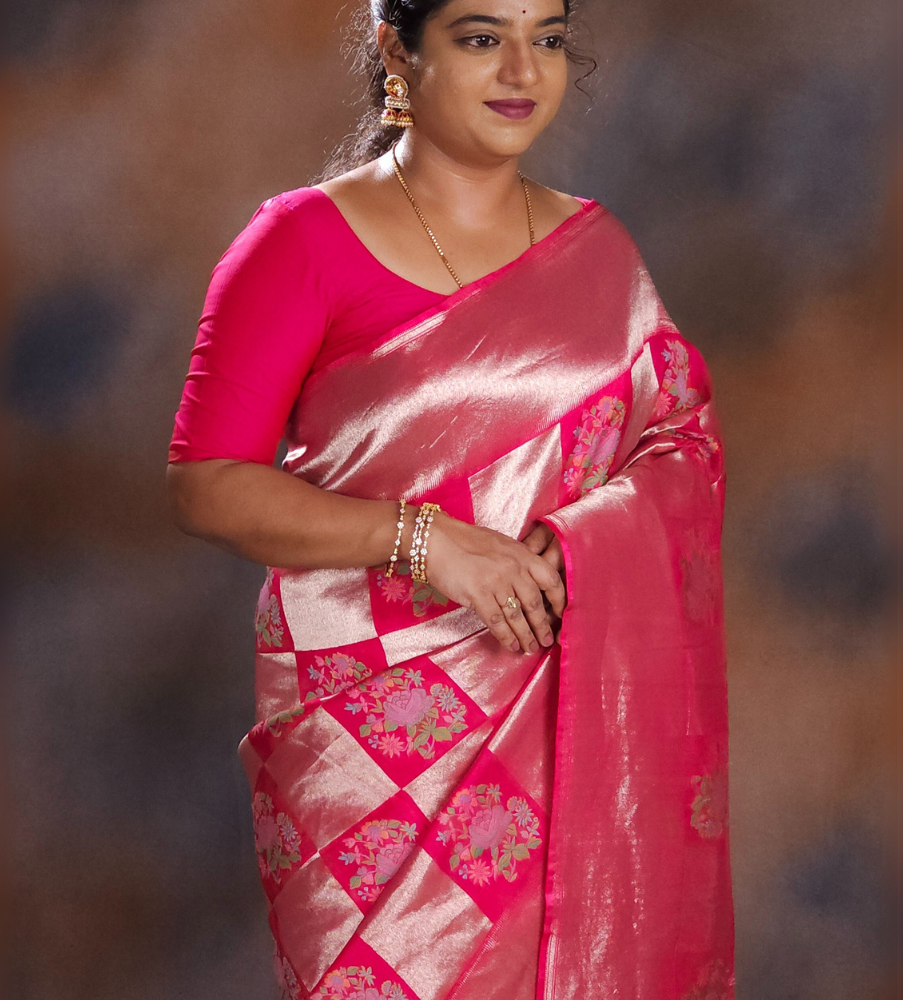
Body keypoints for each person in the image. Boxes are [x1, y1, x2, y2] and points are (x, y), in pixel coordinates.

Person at [166, 0, 735, 997]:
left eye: (546, 38)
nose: (522, 69)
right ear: (398, 48)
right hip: (369, 739)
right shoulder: (298, 242)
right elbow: (205, 484)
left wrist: (585, 542)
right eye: (480, 37)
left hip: (567, 713)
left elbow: (680, 439)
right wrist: (427, 543)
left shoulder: (600, 252)